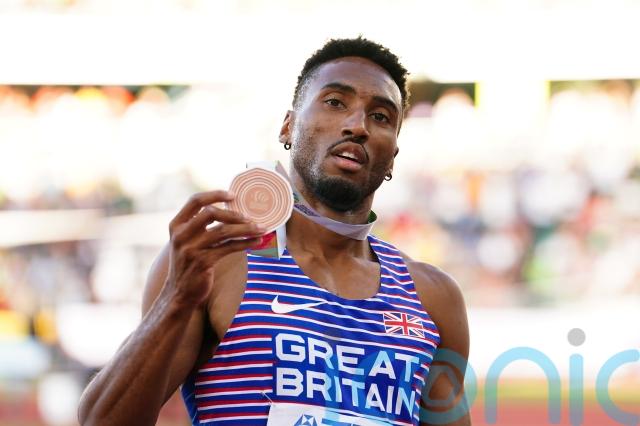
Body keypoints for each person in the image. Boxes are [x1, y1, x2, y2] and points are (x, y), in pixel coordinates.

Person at [77, 37, 470, 426]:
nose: (357, 126)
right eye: (335, 102)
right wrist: (176, 299)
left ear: (393, 156)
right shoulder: (216, 262)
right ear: (288, 126)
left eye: (381, 117)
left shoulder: (433, 298)